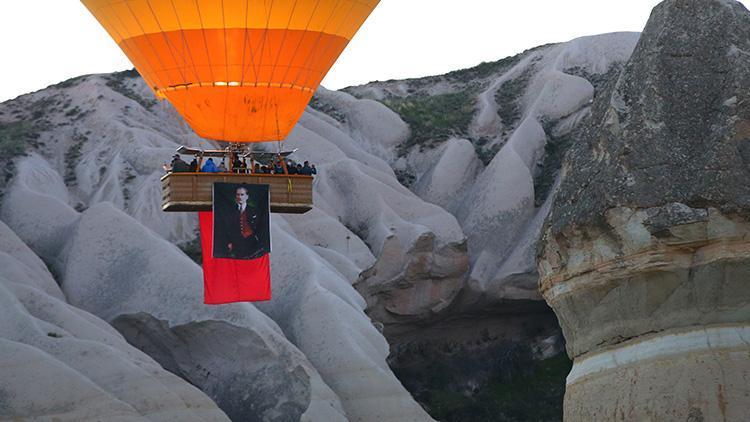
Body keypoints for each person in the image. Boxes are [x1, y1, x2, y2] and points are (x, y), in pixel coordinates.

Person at [215, 186, 265, 259]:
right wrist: (229, 242)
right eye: (238, 195)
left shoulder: (254, 211)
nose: (239, 197)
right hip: (236, 245)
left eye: (242, 195)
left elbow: (260, 227)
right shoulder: (230, 211)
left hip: (252, 243)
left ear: (247, 196)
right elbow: (226, 228)